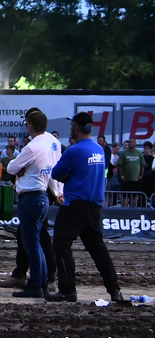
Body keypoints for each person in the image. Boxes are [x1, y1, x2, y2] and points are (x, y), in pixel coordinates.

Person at [46, 112, 124, 303]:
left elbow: (56, 173)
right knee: (98, 249)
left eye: (72, 125)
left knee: (61, 244)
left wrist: (67, 176)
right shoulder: (98, 150)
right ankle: (114, 290)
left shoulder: (74, 150)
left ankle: (67, 289)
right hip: (94, 206)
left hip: (75, 205)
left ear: (76, 128)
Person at [6, 108, 62, 298]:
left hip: (30, 197)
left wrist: (21, 166)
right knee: (37, 241)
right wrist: (57, 191)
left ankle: (36, 283)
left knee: (32, 243)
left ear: (30, 125)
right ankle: (43, 280)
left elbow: (12, 167)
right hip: (42, 196)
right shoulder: (49, 144)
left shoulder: (32, 147)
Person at [117, 138, 146, 207]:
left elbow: (143, 165)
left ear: (135, 143)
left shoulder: (139, 153)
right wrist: (122, 176)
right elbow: (119, 165)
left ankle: (133, 211)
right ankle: (124, 211)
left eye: (132, 142)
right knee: (125, 196)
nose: (130, 143)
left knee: (135, 196)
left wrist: (141, 175)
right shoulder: (124, 153)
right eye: (129, 142)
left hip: (136, 179)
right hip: (126, 179)